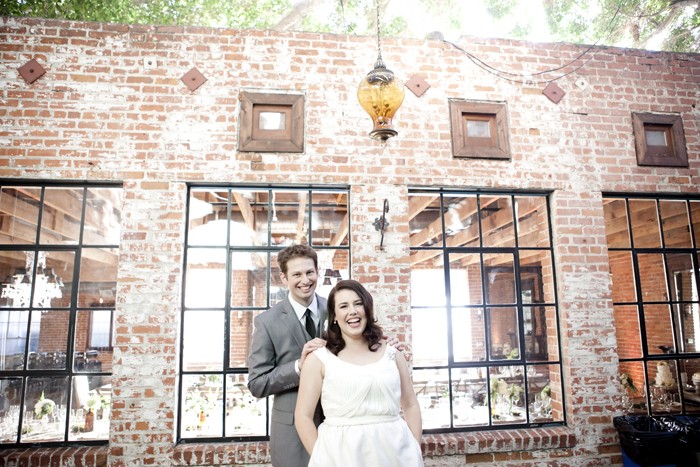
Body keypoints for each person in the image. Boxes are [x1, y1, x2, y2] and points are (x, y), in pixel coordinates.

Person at [294, 279, 424, 467]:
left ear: (367, 309)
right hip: (340, 456)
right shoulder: (319, 359)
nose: (352, 311)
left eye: (358, 303)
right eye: (344, 306)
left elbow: (411, 404)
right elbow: (303, 416)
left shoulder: (392, 353)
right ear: (335, 316)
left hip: (398, 455)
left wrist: (415, 448)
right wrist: (321, 457)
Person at [247, 244, 328, 467]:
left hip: (338, 425)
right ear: (284, 278)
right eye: (297, 274)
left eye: (309, 272)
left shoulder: (336, 309)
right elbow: (256, 384)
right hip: (291, 435)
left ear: (317, 272)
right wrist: (298, 368)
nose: (305, 280)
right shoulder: (267, 322)